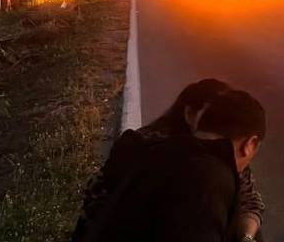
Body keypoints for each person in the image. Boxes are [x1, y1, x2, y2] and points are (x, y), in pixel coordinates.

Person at [73, 82, 266, 242]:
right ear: (189, 113)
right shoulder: (201, 171)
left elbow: (248, 201)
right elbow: (97, 204)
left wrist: (247, 237)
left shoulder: (213, 157)